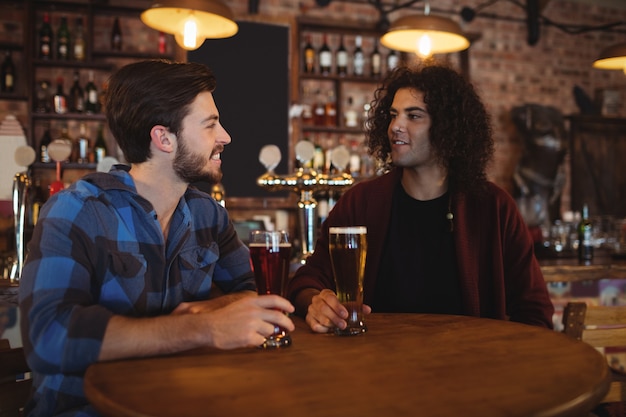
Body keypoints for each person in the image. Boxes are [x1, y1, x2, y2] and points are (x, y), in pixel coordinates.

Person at [19, 60, 294, 416]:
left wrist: (212, 309)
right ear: (163, 138)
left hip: (177, 401)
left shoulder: (207, 214)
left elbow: (257, 290)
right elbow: (48, 339)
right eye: (210, 125)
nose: (226, 137)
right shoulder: (77, 211)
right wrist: (201, 328)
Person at [287, 63, 554, 333]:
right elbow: (307, 280)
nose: (396, 127)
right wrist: (317, 302)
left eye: (413, 116)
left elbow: (534, 310)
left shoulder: (494, 207)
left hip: (472, 368)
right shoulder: (360, 203)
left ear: (446, 129)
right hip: (373, 367)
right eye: (393, 115)